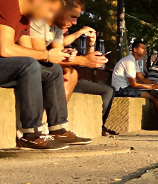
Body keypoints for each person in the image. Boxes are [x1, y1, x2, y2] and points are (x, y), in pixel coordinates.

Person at [1, 0, 93, 150]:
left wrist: (56, 56)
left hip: (7, 66)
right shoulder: (8, 5)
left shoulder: (25, 18)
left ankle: (58, 129)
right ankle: (31, 134)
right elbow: (5, 49)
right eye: (51, 10)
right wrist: (47, 54)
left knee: (53, 70)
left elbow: (30, 54)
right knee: (30, 66)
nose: (51, 15)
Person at [26, 0, 116, 136]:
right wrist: (83, 60)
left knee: (70, 74)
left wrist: (69, 65)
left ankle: (50, 125)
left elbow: (58, 54)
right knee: (62, 72)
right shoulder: (38, 21)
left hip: (39, 66)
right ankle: (41, 126)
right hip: (24, 65)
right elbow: (43, 56)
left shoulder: (56, 28)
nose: (74, 22)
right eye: (72, 16)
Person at [111, 40, 158, 129]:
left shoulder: (134, 61)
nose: (145, 50)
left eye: (145, 49)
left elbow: (142, 79)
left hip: (127, 87)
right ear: (135, 49)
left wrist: (155, 83)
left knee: (154, 96)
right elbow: (134, 84)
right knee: (155, 99)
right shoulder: (129, 62)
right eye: (143, 48)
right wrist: (152, 87)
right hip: (122, 90)